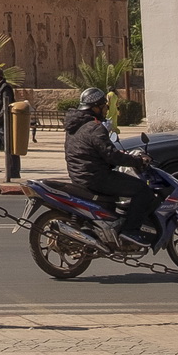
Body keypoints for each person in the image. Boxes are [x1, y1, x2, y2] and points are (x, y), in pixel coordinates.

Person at [63, 87, 158, 248]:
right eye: (104, 106)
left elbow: (94, 151)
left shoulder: (75, 126)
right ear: (95, 107)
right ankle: (130, 231)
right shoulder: (94, 127)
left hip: (79, 175)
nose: (107, 109)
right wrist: (136, 161)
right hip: (96, 177)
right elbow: (111, 155)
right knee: (142, 190)